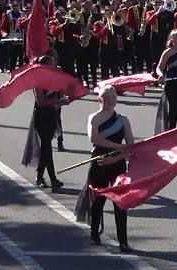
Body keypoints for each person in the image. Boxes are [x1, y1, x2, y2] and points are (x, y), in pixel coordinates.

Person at [79, 86, 135, 252]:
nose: (110, 100)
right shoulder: (94, 118)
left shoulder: (123, 119)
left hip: (117, 163)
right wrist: (118, 146)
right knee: (98, 200)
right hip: (99, 162)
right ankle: (94, 232)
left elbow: (131, 146)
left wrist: (115, 157)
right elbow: (94, 139)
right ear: (99, 99)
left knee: (120, 203)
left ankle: (123, 241)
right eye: (106, 97)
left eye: (113, 97)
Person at [20, 54, 68, 189]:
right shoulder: (37, 82)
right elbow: (41, 102)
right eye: (52, 64)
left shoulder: (54, 80)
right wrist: (58, 101)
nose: (55, 66)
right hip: (41, 116)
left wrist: (63, 100)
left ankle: (40, 177)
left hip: (52, 115)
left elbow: (57, 99)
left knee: (46, 147)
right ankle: (53, 180)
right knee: (46, 146)